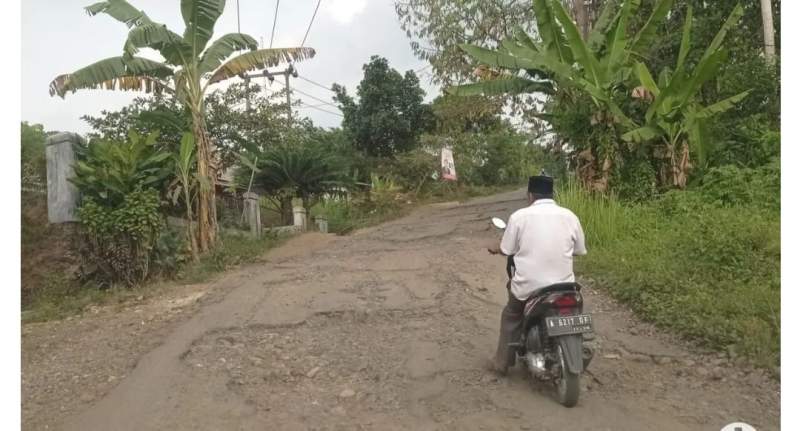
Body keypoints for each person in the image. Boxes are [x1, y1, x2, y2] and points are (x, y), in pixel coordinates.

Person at [486, 174, 587, 375]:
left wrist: (495, 248)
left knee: (512, 314)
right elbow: (580, 250)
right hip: (564, 287)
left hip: (529, 287)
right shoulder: (570, 216)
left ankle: (501, 364)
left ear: (530, 195)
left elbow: (506, 249)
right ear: (553, 193)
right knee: (576, 310)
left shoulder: (519, 217)